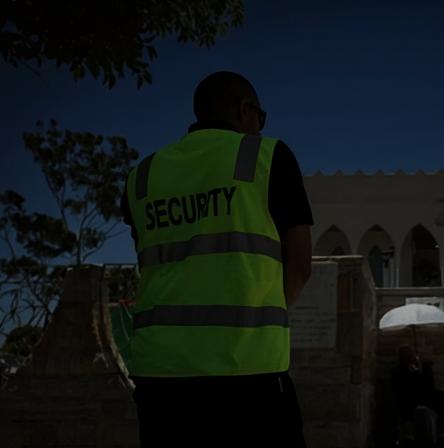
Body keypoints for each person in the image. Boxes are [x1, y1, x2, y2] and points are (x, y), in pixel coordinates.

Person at [121, 71, 314, 447]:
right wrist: (262, 314)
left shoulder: (142, 175)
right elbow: (301, 263)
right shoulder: (267, 157)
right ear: (245, 110)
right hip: (248, 376)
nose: (260, 127)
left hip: (160, 379)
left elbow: (150, 260)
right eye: (260, 117)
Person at [391, 345, 444, 445]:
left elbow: (429, 385)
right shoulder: (397, 370)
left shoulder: (418, 367)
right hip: (408, 396)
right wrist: (413, 373)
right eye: (409, 355)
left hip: (424, 395)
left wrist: (426, 369)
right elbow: (401, 387)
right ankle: (409, 435)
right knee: (406, 404)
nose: (412, 357)